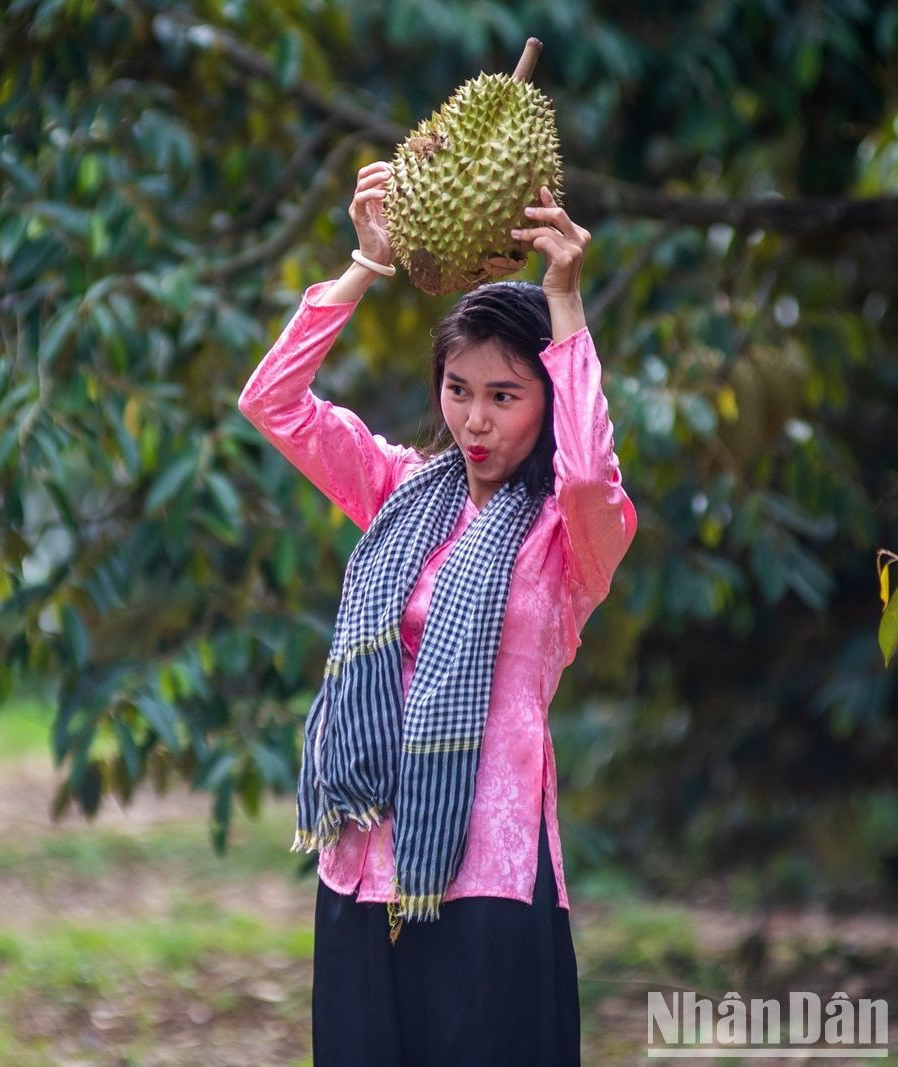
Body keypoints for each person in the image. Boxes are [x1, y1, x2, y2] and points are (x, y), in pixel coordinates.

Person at [238, 162, 636, 1066]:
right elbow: (272, 403)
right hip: (363, 865)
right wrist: (364, 265)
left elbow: (584, 472)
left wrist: (565, 306)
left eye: (506, 395)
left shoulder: (572, 538)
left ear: (545, 398)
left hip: (490, 874)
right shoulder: (398, 489)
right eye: (460, 390)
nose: (477, 421)